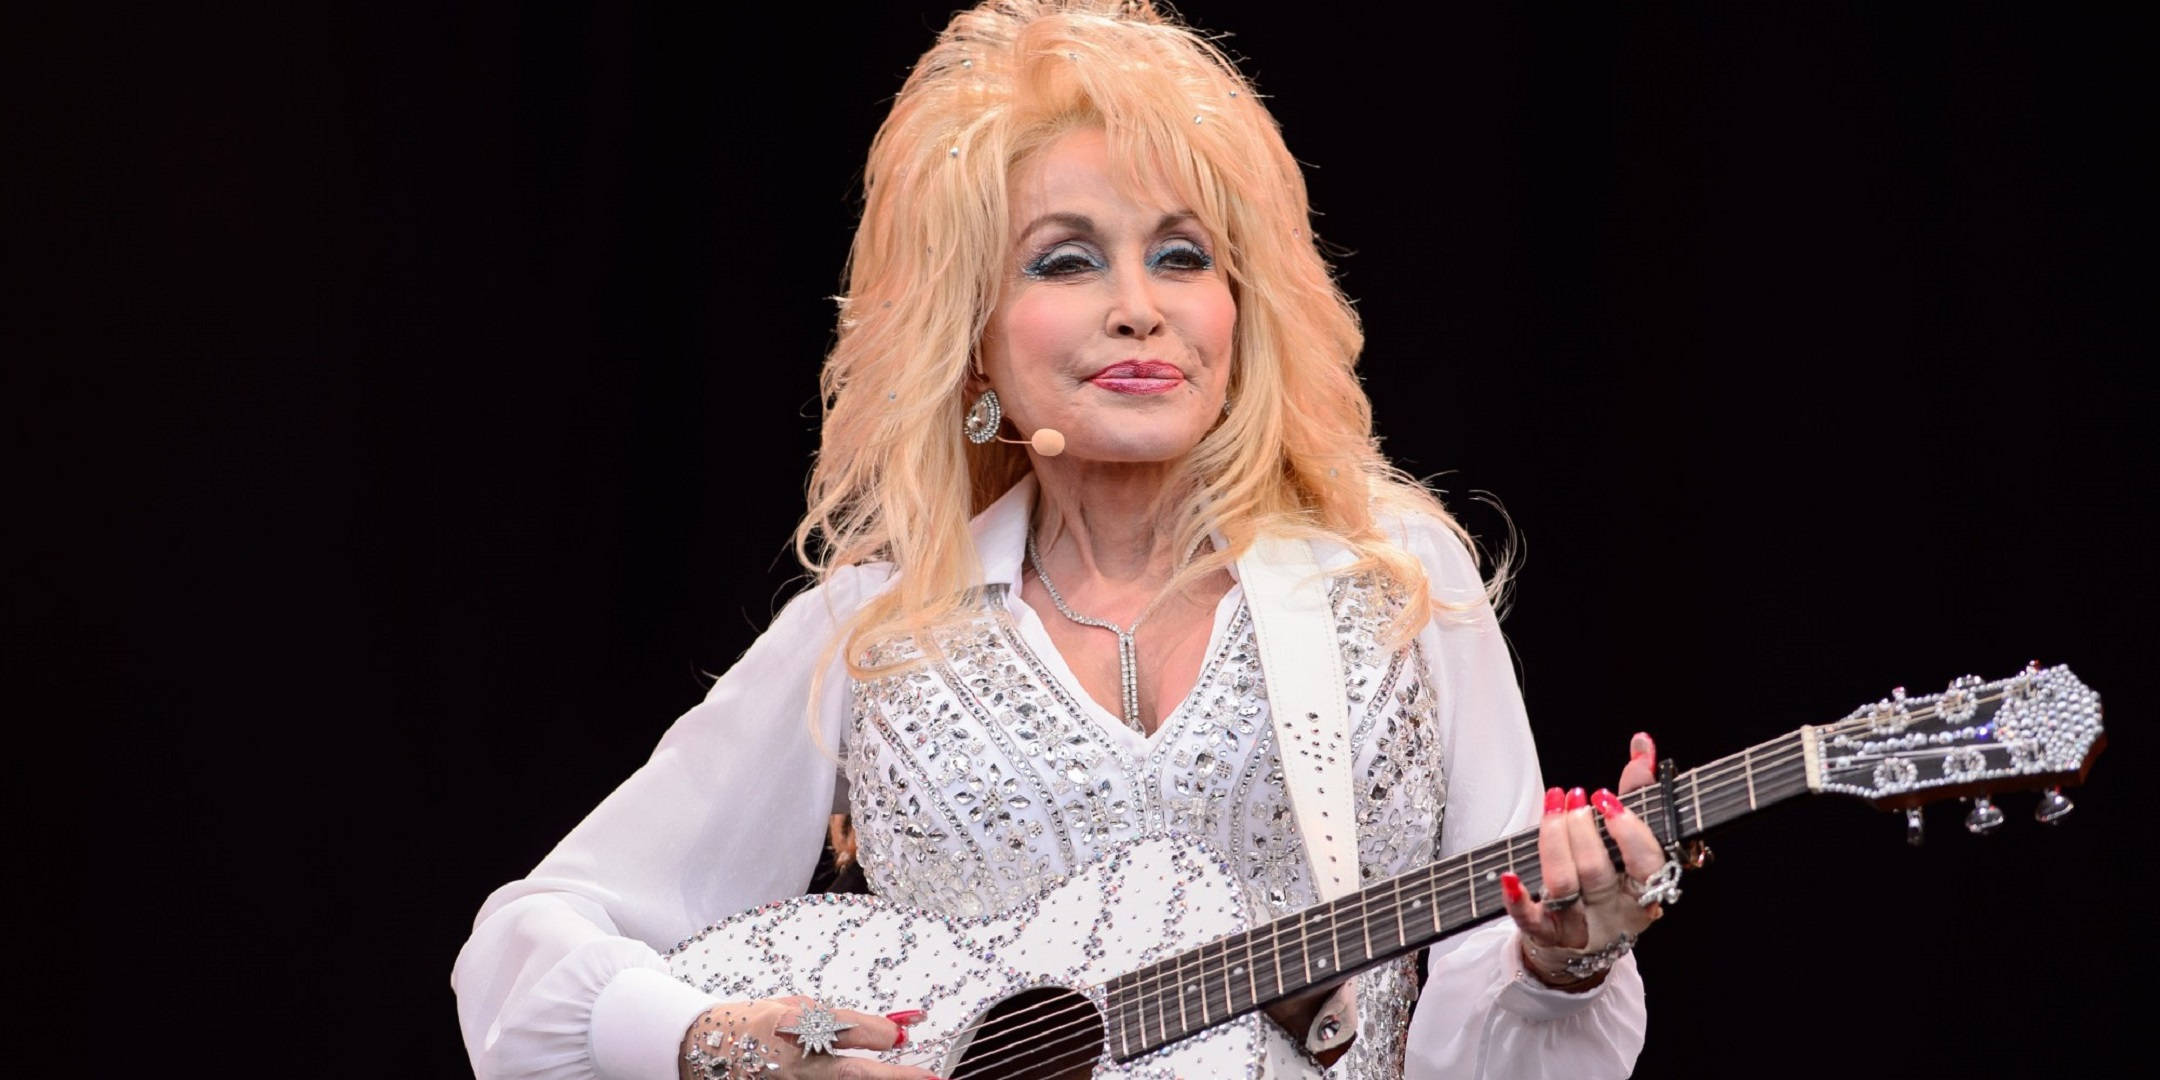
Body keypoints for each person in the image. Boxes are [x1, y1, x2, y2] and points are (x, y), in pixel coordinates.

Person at [453, 3, 1672, 1077]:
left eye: (1182, 255)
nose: (1138, 306)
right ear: (972, 340)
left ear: (1241, 310)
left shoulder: (1391, 580)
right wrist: (721, 1043)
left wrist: (1562, 964)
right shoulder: (877, 633)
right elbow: (523, 954)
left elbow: (1492, 1053)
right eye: (1067, 261)